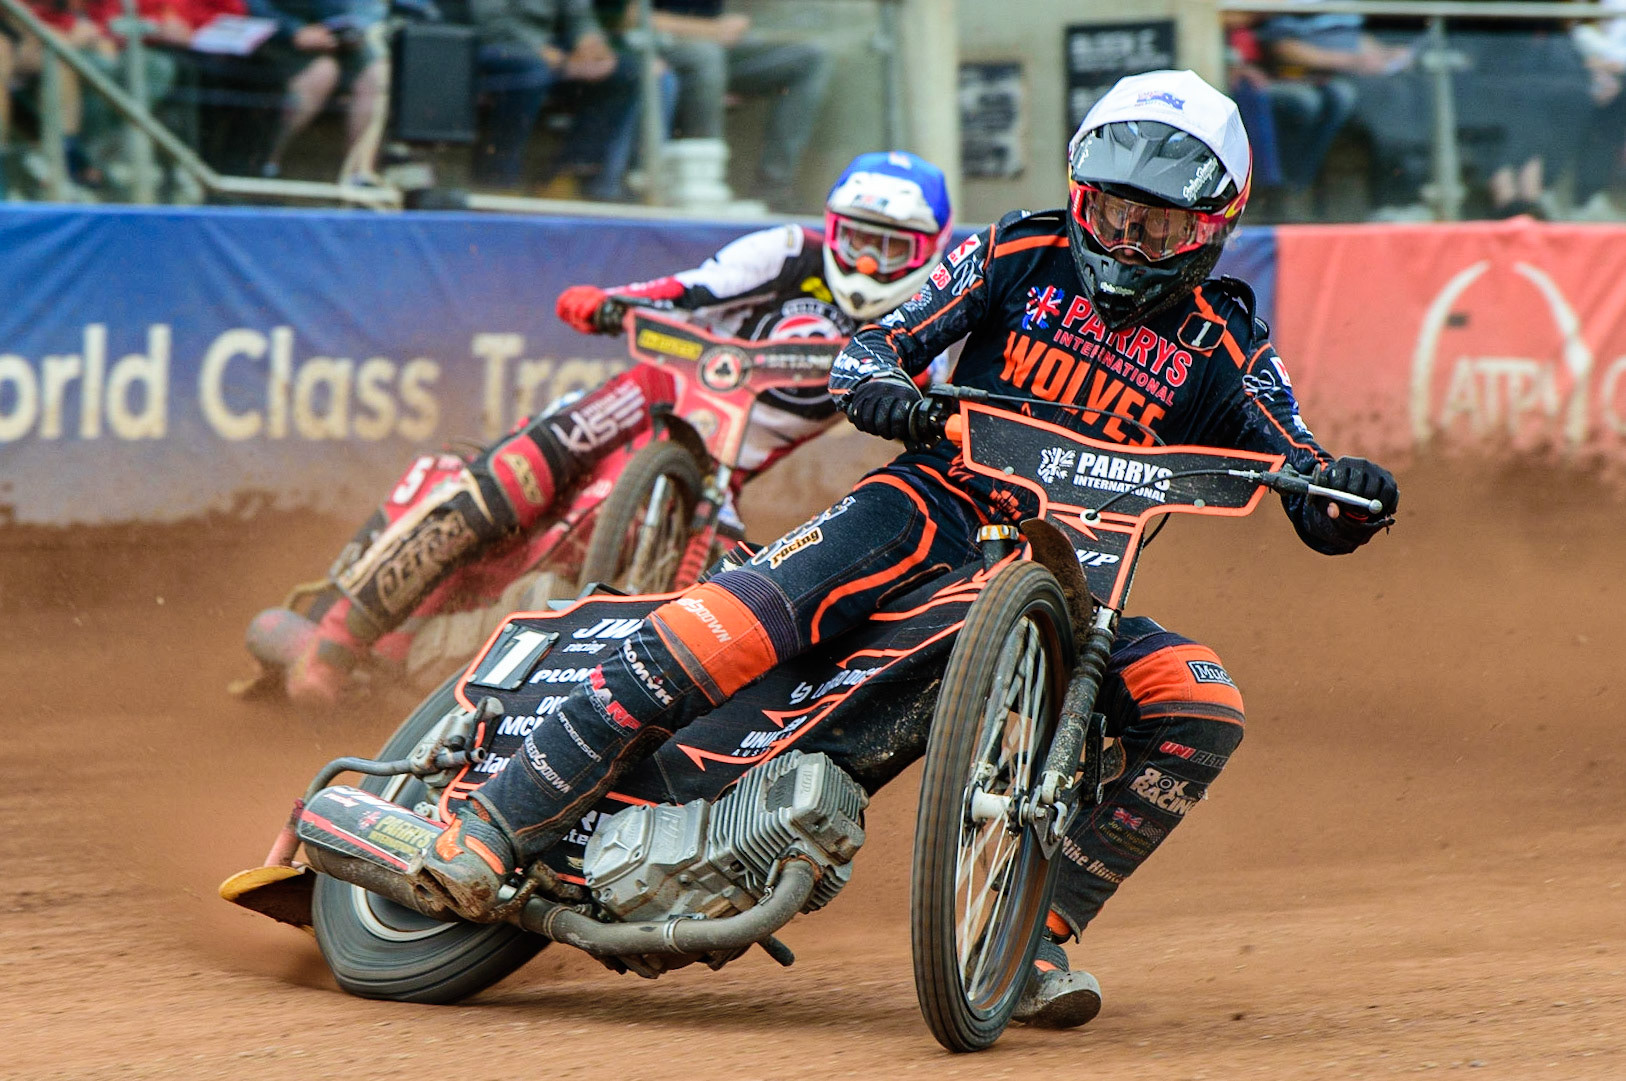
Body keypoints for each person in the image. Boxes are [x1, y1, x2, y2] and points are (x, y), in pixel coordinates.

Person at [409, 69, 1400, 1028]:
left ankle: (1038, 935)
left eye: (1160, 226)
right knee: (741, 616)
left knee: (1202, 700)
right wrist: (879, 378)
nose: (1130, 244)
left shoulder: (1228, 346)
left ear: (1212, 230)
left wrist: (1349, 493)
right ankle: (495, 822)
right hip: (933, 503)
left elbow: (1306, 477)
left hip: (1074, 581)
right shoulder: (1019, 251)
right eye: (1111, 215)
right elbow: (880, 341)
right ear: (1077, 196)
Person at [250, 149, 954, 703]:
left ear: (929, 249)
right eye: (858, 240)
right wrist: (612, 303)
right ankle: (337, 642)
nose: (867, 264)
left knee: (737, 600)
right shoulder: (787, 253)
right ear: (831, 229)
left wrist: (939, 417)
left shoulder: (926, 312)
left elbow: (941, 395)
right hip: (653, 392)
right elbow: (691, 285)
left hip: (721, 472)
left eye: (891, 249)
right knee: (511, 478)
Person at [652, 0, 830, 210]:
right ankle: (701, 186)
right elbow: (626, 17)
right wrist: (710, 30)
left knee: (809, 58)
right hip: (655, 48)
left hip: (715, 50)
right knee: (705, 57)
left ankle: (773, 191)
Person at [246, 0, 388, 183]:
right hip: (276, 34)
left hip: (335, 34)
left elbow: (370, 8)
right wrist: (293, 31)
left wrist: (353, 28)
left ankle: (357, 175)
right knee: (322, 73)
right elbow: (251, 5)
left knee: (376, 72)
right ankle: (266, 165)